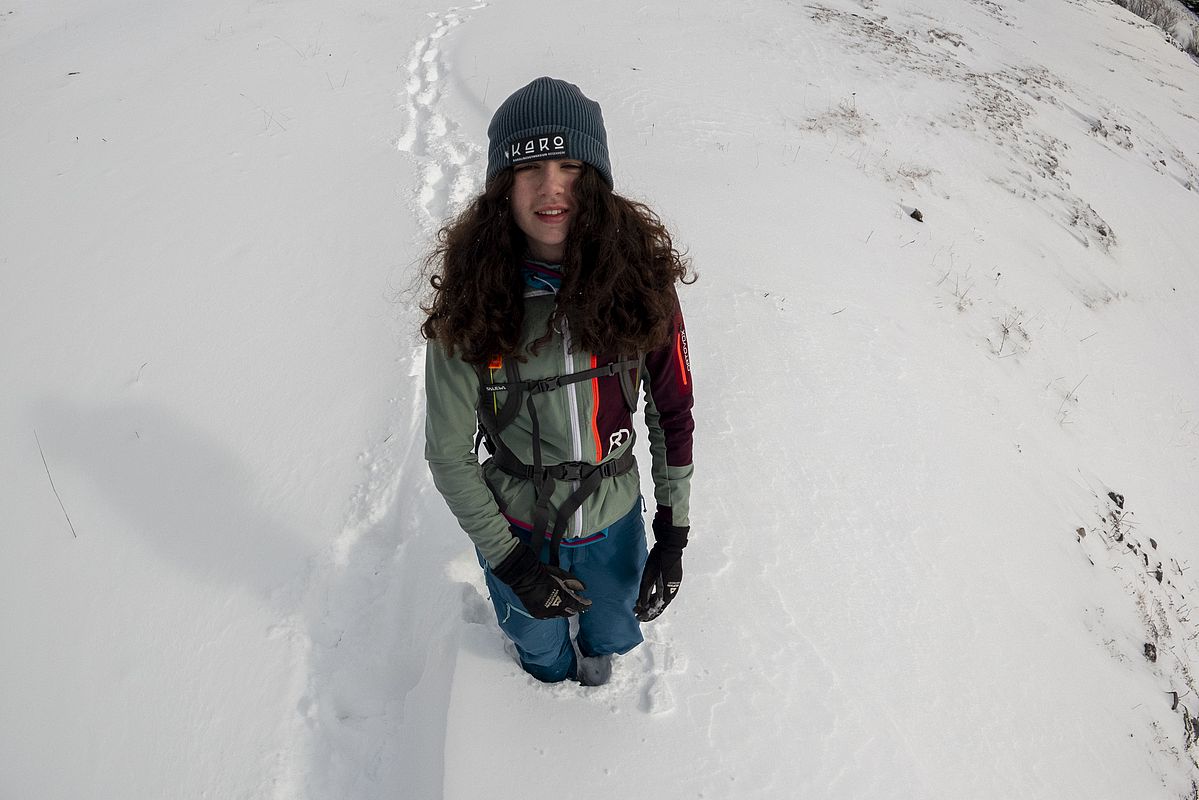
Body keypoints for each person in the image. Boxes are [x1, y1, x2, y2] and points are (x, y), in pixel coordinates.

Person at [420, 77, 695, 685]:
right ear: (503, 186)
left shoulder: (639, 283)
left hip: (614, 521)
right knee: (537, 643)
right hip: (516, 526)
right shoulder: (474, 301)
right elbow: (448, 453)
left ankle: (606, 682)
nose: (552, 188)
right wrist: (512, 563)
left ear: (593, 178)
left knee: (617, 628)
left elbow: (670, 412)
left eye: (570, 165)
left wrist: (672, 534)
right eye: (531, 168)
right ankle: (543, 689)